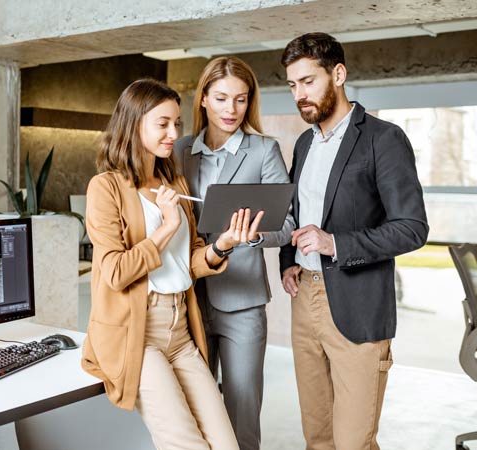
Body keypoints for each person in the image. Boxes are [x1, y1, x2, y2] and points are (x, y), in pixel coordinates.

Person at [81, 78, 263, 450]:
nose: (173, 133)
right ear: (134, 125)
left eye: (176, 123)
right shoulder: (106, 187)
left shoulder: (173, 182)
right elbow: (115, 271)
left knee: (227, 445)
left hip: (180, 332)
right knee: (186, 444)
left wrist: (222, 245)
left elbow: (191, 259)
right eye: (162, 124)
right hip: (138, 334)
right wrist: (166, 228)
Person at [278, 32, 429, 449]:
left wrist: (335, 244)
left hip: (358, 305)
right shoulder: (305, 143)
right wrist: (287, 259)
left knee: (353, 442)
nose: (299, 95)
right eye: (292, 85)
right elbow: (300, 214)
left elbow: (413, 227)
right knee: (318, 437)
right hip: (303, 302)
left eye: (308, 81)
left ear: (338, 74)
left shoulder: (383, 138)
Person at [173, 56, 294, 450]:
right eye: (222, 98)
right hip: (188, 296)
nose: (231, 109)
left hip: (242, 302)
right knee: (193, 412)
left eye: (240, 100)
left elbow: (288, 225)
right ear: (204, 99)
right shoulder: (179, 150)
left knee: (241, 414)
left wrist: (253, 237)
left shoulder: (263, 150)